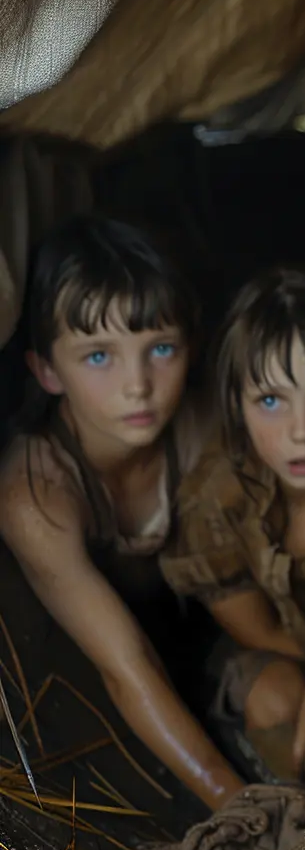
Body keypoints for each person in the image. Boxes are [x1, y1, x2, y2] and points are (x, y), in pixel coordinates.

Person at [0, 216, 245, 810]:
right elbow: (126, 668)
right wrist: (241, 806)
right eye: (99, 357)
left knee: (273, 698)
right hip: (98, 686)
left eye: (161, 348)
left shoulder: (205, 424)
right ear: (46, 371)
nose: (138, 385)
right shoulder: (38, 494)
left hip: (220, 633)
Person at [161, 268, 305, 787]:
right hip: (281, 652)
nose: (301, 432)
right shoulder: (222, 496)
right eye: (270, 401)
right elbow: (259, 631)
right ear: (237, 406)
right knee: (274, 700)